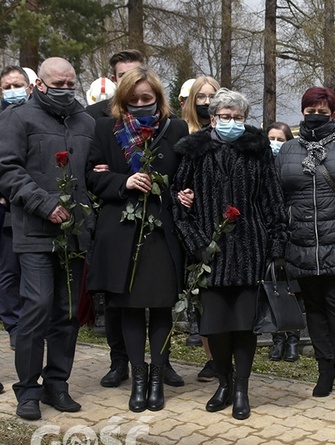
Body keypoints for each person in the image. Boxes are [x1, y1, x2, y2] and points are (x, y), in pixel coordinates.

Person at [173, 89, 288, 420]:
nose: (232, 122)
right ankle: (223, 381)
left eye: (238, 117)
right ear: (212, 118)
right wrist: (197, 244)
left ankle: (241, 389)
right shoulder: (193, 152)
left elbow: (272, 199)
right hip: (209, 254)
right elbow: (179, 204)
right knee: (215, 327)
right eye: (226, 116)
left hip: (250, 249)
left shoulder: (256, 150)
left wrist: (277, 245)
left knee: (243, 326)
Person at [86, 67, 188, 413]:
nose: (141, 105)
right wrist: (122, 182)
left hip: (162, 230)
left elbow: (185, 174)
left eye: (147, 99)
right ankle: (139, 379)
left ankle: (157, 379)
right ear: (122, 100)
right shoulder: (106, 128)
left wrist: (183, 194)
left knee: (160, 307)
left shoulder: (175, 128)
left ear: (158, 98)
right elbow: (91, 176)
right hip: (121, 231)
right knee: (128, 308)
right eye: (134, 100)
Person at [0, 57, 95, 421]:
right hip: (36, 231)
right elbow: (8, 169)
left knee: (67, 312)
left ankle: (58, 383)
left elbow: (90, 174)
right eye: (58, 84)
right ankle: (27, 389)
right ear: (39, 84)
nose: (65, 90)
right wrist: (45, 204)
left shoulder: (85, 122)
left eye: (71, 84)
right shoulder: (18, 118)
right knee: (37, 308)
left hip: (74, 235)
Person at [278, 86, 335, 401]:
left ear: (333, 112)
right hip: (301, 241)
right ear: (302, 112)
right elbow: (279, 195)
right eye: (310, 110)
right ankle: (325, 370)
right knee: (314, 311)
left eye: (322, 110)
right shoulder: (288, 150)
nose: (315, 115)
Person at [179, 75, 220, 382]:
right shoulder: (183, 134)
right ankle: (211, 357)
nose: (206, 102)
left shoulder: (226, 132)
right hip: (192, 227)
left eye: (211, 96)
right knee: (202, 297)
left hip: (223, 223)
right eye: (201, 97)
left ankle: (227, 355)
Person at [0, 65, 33, 353]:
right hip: (8, 210)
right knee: (9, 271)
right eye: (7, 87)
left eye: (17, 85)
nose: (13, 91)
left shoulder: (38, 118)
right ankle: (14, 325)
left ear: (30, 86)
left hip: (34, 205)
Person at [265, 121, 301, 362]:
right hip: (268, 233)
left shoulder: (293, 166)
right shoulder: (261, 165)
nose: (275, 144)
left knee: (292, 288)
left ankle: (293, 340)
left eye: (281, 139)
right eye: (272, 138)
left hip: (293, 232)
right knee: (273, 285)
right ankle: (277, 339)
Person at [85, 49, 145, 119]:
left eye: (134, 74)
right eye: (123, 75)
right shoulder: (94, 114)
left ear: (145, 76)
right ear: (114, 80)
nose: (129, 80)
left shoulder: (158, 110)